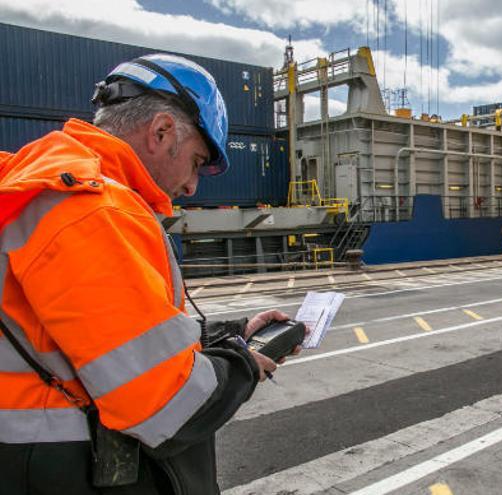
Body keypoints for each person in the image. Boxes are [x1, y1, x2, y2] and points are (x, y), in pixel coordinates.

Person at [0, 54, 301, 494]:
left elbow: (92, 342)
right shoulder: (90, 210)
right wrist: (243, 366)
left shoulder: (37, 184)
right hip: (69, 470)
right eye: (197, 162)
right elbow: (168, 405)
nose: (193, 186)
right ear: (161, 132)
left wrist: (229, 334)